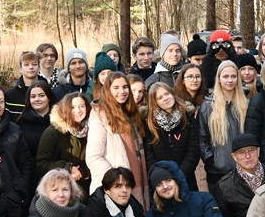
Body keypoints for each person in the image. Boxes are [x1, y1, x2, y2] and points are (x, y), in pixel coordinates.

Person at [86, 72, 148, 206]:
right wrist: (116, 182)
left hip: (138, 182)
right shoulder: (100, 114)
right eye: (116, 88)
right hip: (113, 189)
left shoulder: (131, 113)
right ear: (108, 90)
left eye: (125, 87)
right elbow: (93, 157)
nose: (122, 91)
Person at [0, 85, 34, 211]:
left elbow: (26, 164)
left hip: (11, 198)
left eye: (1, 101)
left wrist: (21, 192)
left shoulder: (14, 130)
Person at [198, 60, 249, 190]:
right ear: (219, 79)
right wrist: (211, 159)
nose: (230, 80)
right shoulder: (208, 105)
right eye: (225, 76)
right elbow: (201, 137)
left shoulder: (246, 104)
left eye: (233, 76)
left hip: (244, 169)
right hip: (217, 171)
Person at [143, 82, 201, 191]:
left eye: (167, 94)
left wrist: (180, 175)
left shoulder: (187, 117)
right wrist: (163, 178)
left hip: (186, 179)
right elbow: (150, 155)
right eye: (160, 97)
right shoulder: (150, 124)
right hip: (162, 184)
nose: (165, 98)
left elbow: (193, 149)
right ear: (155, 102)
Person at [36, 92, 92, 197]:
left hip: (84, 189)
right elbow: (42, 164)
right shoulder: (53, 132)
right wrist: (68, 168)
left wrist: (80, 172)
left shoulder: (92, 130)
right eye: (73, 107)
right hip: (56, 190)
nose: (78, 111)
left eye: (81, 106)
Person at [17, 81, 57, 163]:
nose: (37, 99)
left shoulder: (59, 122)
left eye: (41, 96)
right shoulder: (21, 123)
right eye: (33, 96)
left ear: (49, 97)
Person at [5, 51, 45, 118]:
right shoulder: (10, 95)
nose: (31, 67)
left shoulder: (48, 92)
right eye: (26, 65)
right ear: (20, 69)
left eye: (34, 64)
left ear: (39, 68)